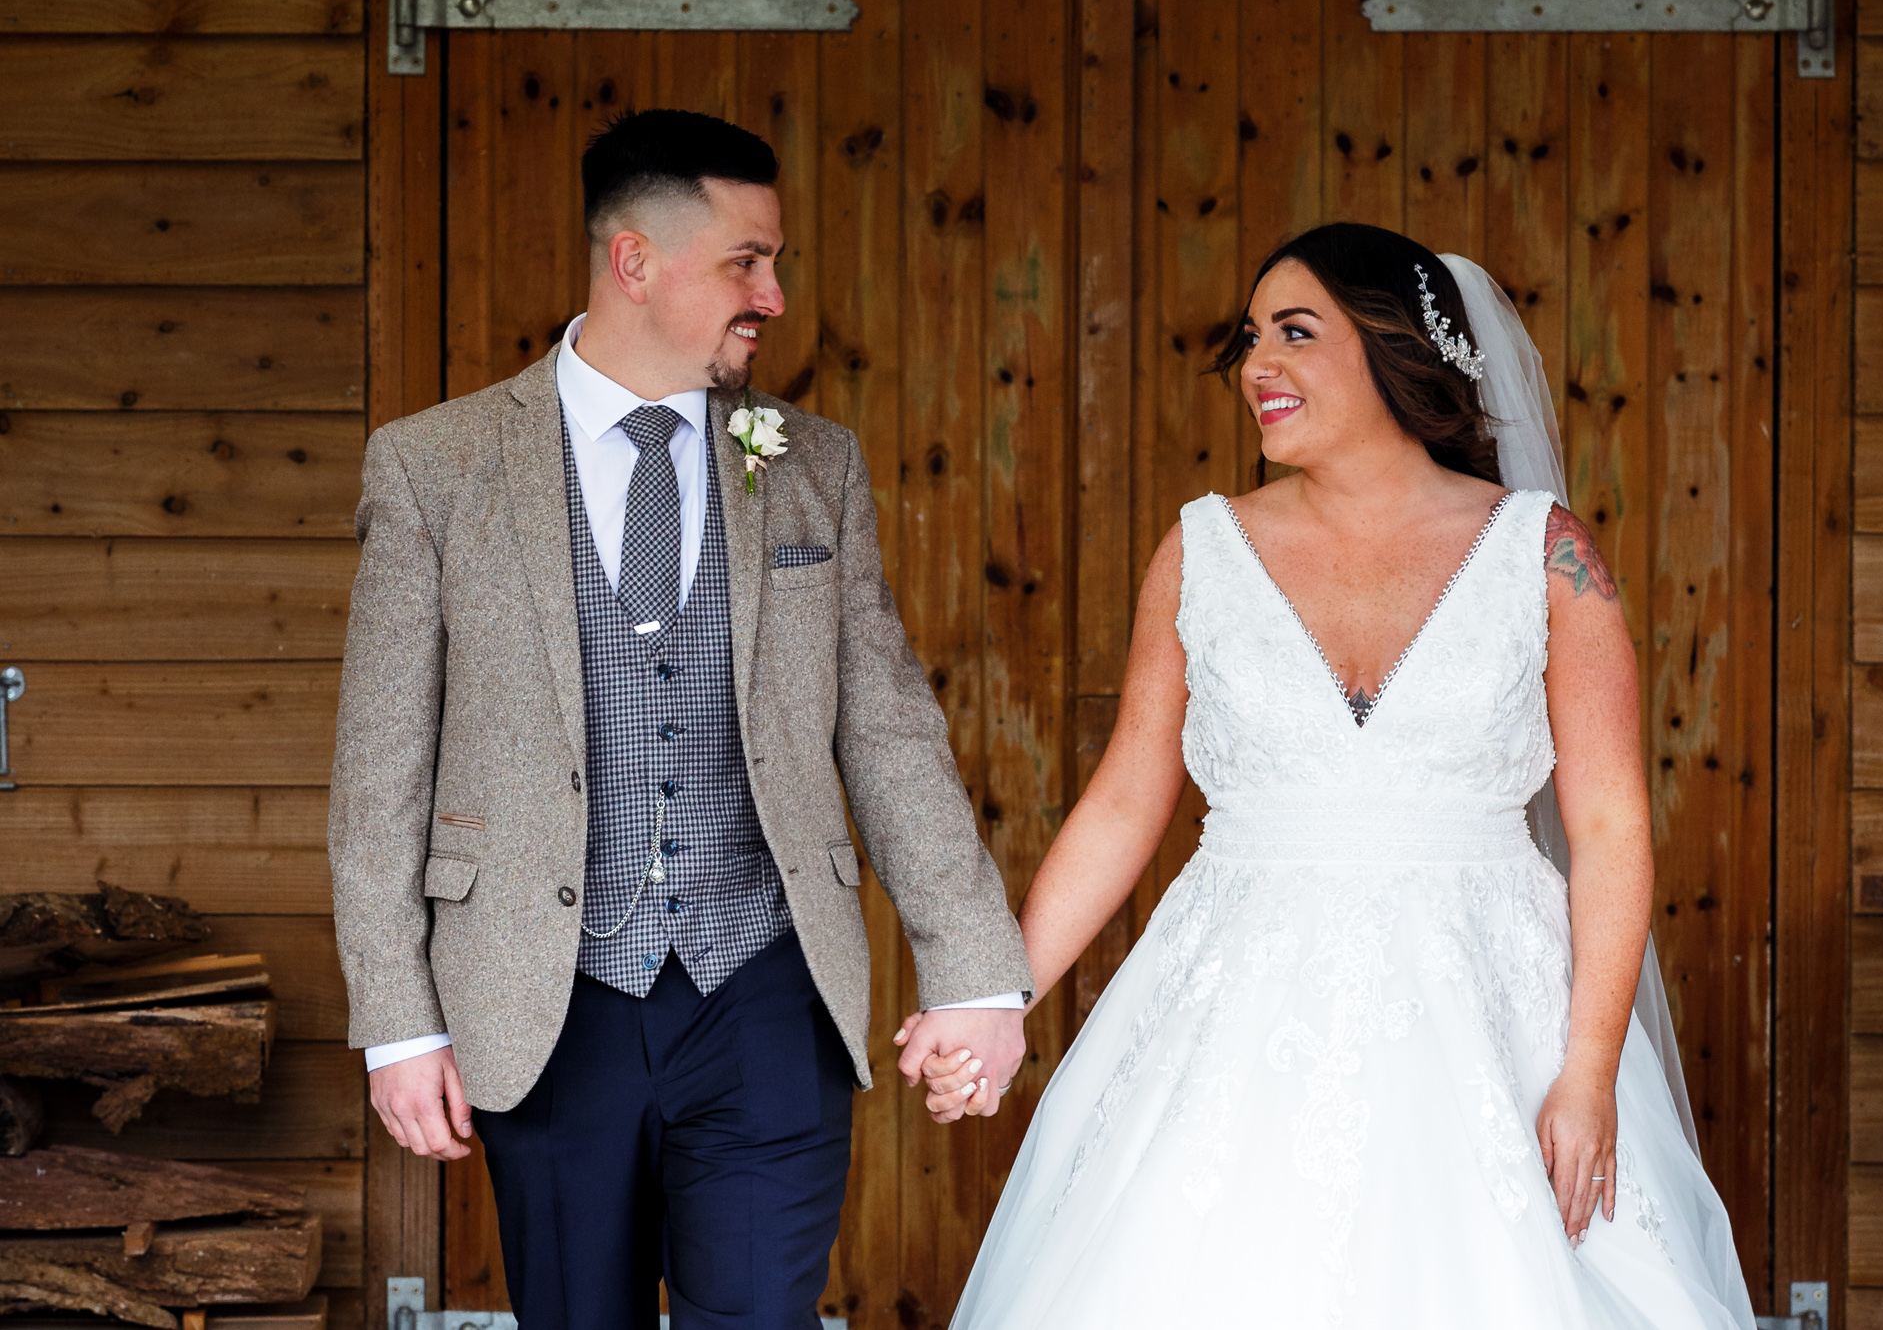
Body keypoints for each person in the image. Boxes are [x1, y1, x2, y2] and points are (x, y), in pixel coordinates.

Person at [897, 224, 1754, 1327]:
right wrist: (1001, 1000)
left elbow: (1607, 826)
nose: (1257, 364)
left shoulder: (1542, 554)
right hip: (1233, 1006)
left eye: (1294, 333)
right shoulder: (1199, 550)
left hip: (1493, 1016)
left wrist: (1586, 1073)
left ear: (1394, 347)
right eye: (1249, 338)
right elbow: (1121, 802)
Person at [328, 108, 1033, 1330]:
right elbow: (379, 764)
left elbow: (884, 727)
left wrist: (974, 967)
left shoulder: (809, 462)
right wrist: (397, 1023)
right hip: (542, 1000)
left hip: (764, 991)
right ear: (635, 261)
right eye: (744, 262)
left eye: (776, 263)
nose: (771, 294)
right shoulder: (433, 467)